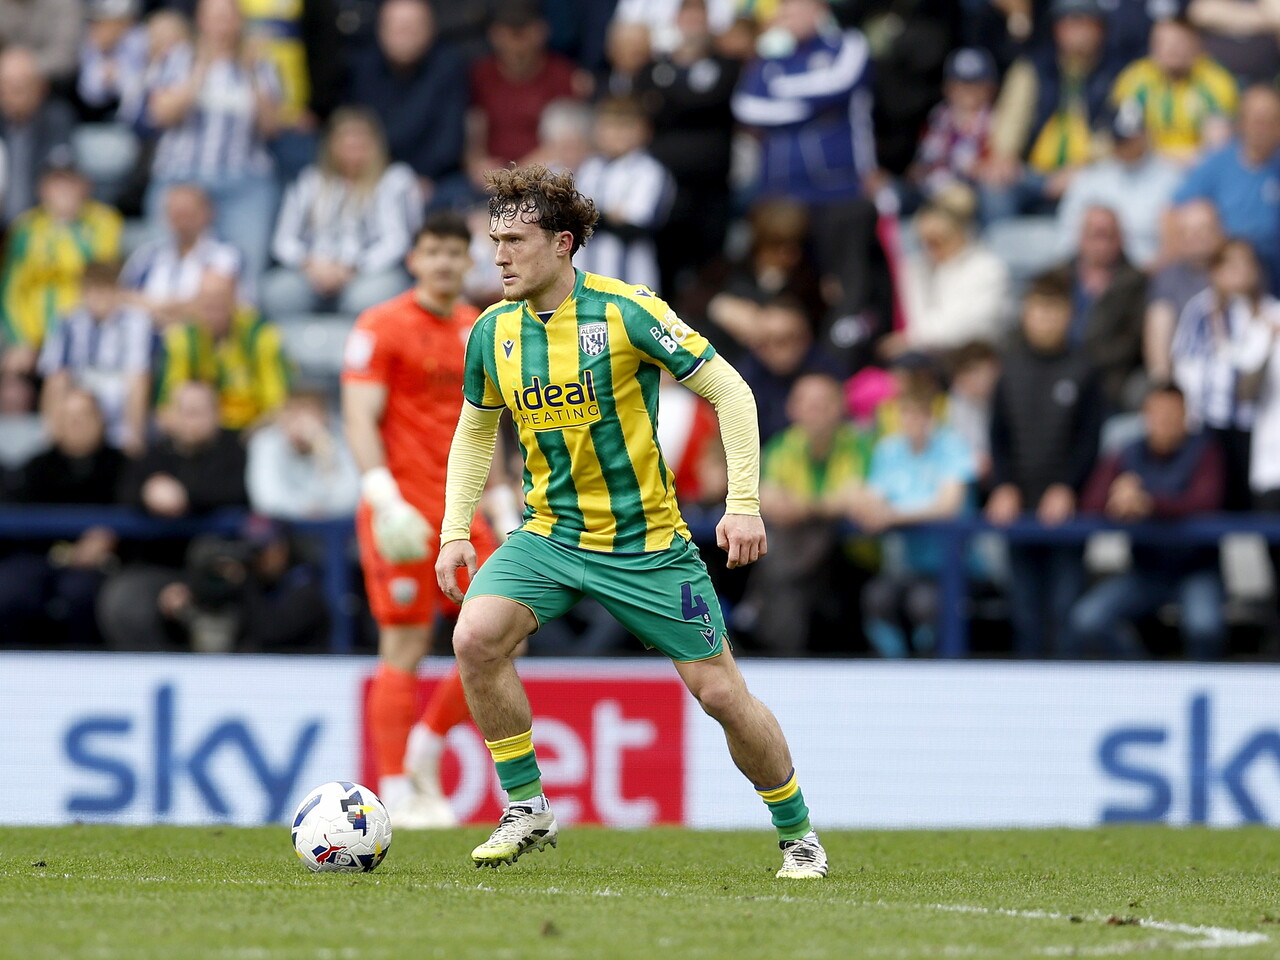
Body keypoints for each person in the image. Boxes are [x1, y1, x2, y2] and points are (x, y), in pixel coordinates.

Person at [434, 164, 827, 878]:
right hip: (549, 535)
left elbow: (731, 392)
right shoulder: (492, 331)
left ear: (563, 244)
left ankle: (797, 831)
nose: (497, 255)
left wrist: (742, 503)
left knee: (720, 696)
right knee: (475, 639)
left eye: (515, 240)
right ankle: (527, 807)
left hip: (647, 547)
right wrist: (455, 529)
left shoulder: (626, 311)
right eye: (493, 239)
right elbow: (474, 428)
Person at [341, 211, 501, 829]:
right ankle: (390, 790)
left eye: (452, 253)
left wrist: (504, 502)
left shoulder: (482, 329)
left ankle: (424, 749)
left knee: (497, 635)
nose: (441, 262)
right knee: (404, 644)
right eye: (430, 251)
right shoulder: (379, 325)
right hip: (402, 511)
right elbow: (359, 415)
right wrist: (382, 496)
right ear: (413, 259)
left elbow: (496, 425)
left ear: (469, 262)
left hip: (465, 513)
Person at [987, 268, 1105, 658]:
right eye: (1038, 310)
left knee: (1064, 609)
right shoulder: (1010, 369)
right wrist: (1004, 485)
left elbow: (1090, 441)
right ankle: (1030, 704)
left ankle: (1068, 698)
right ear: (1026, 314)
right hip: (1019, 512)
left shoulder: (1084, 370)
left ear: (1069, 315)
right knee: (1024, 610)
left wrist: (1068, 487)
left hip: (1065, 515)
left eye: (1054, 311)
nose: (1045, 319)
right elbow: (998, 434)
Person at [1067, 383, 1227, 659]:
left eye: (1172, 413)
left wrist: (1148, 502)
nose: (1164, 421)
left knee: (1205, 627)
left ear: (1186, 415)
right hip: (1146, 571)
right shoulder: (1128, 452)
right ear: (1145, 415)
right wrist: (1118, 499)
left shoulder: (1205, 451)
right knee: (1087, 619)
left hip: (1196, 570)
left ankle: (1202, 686)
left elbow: (1205, 503)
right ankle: (1146, 677)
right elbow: (1091, 502)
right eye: (1158, 412)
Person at [99, 380, 251, 651]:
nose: (191, 420)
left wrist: (185, 496)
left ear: (216, 414)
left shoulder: (235, 452)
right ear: (169, 416)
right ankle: (147, 671)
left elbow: (234, 493)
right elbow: (125, 492)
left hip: (215, 569)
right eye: (185, 411)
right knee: (121, 600)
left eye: (200, 411)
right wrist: (148, 492)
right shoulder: (153, 455)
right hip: (156, 567)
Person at [143, 0, 281, 282]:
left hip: (243, 183)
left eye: (228, 17)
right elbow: (160, 114)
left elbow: (271, 128)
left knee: (244, 272)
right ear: (200, 21)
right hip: (182, 176)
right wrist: (200, 70)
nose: (221, 26)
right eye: (214, 17)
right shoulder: (178, 57)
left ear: (239, 22)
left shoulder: (260, 63)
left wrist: (252, 74)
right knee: (167, 270)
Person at [738, 371, 871, 656]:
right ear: (792, 408)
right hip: (801, 561)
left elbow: (854, 498)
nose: (816, 412)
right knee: (790, 569)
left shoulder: (860, 444)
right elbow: (771, 500)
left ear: (840, 407)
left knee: (787, 561)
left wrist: (805, 506)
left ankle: (755, 609)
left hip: (852, 559)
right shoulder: (781, 447)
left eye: (824, 403)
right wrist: (823, 505)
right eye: (808, 404)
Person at [263, 107, 420, 318]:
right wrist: (310, 265)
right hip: (313, 270)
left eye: (361, 144)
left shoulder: (394, 180)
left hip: (369, 271)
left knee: (365, 298)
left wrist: (351, 268)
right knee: (277, 292)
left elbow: (397, 241)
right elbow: (283, 241)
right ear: (331, 145)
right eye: (346, 143)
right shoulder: (310, 180)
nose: (353, 150)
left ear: (376, 145)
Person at [0, 388, 123, 647]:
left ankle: (84, 673)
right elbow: (19, 522)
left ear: (101, 420)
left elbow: (131, 516)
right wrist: (63, 554)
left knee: (81, 594)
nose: (76, 424)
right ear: (56, 423)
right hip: (39, 557)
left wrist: (108, 539)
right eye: (68, 417)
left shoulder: (122, 467)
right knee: (11, 589)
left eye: (84, 415)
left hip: (101, 564)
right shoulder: (35, 468)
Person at [859, 387, 976, 658]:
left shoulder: (952, 446)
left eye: (919, 415)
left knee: (924, 604)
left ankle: (929, 670)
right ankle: (892, 668)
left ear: (931, 417)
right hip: (903, 566)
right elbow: (870, 499)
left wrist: (892, 515)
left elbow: (948, 507)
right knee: (875, 598)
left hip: (950, 567)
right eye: (905, 414)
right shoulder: (889, 449)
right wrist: (870, 507)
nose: (912, 421)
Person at [981, 0, 1119, 221]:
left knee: (1103, 190)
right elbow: (1012, 117)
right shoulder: (1033, 67)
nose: (1076, 32)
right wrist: (1005, 155)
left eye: (1083, 23)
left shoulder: (1117, 72)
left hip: (1090, 171)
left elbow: (1117, 130)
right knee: (995, 185)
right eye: (1068, 24)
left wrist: (1083, 169)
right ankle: (1001, 252)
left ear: (1100, 29)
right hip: (1035, 172)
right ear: (1056, 29)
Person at [1171, 237, 1275, 509]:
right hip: (1207, 426)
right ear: (1215, 270)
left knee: (1253, 504)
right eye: (1230, 263)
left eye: (1246, 263)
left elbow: (1250, 384)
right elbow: (1184, 366)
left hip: (1257, 428)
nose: (1239, 270)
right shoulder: (1199, 311)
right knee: (1209, 501)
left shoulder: (1273, 315)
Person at [345, 0, 470, 207]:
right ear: (381, 30)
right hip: (374, 174)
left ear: (430, 30)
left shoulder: (449, 66)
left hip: (435, 179)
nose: (405, 35)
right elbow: (358, 129)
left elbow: (450, 137)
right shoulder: (362, 68)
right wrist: (382, 177)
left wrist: (422, 177)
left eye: (413, 28)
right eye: (398, 28)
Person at [0, 159, 122, 360]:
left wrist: (64, 230)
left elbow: (97, 275)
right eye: (56, 183)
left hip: (85, 330)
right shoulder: (25, 228)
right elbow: (10, 290)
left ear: (85, 187)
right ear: (42, 189)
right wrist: (20, 338)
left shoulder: (104, 221)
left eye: (70, 183)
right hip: (34, 338)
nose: (64, 191)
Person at [37, 259, 153, 455]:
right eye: (92, 291)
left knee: (138, 381)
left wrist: (134, 434)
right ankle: (55, 441)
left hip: (118, 401)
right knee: (58, 382)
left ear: (118, 292)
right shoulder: (67, 321)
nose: (99, 299)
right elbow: (55, 374)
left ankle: (132, 438)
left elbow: (138, 375)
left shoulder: (137, 322)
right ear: (82, 293)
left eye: (105, 291)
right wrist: (52, 430)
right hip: (81, 399)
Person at [465, 0, 583, 192]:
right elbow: (474, 128)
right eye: (510, 33)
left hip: (543, 180)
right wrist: (477, 163)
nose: (517, 44)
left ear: (542, 31)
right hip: (488, 180)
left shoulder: (562, 75)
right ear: (495, 34)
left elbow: (568, 144)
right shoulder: (481, 75)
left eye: (523, 32)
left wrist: (515, 176)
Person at [1172, 84, 1280, 284]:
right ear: (1242, 123)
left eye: (1270, 121)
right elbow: (1175, 208)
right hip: (1224, 267)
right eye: (1257, 121)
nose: (1262, 128)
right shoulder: (1218, 163)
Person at [155, 271, 289, 432]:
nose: (213, 314)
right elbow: (166, 408)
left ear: (234, 300)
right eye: (207, 306)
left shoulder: (261, 338)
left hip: (251, 430)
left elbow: (278, 405)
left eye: (219, 305)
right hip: (203, 434)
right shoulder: (182, 341)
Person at [1056, 102, 1183, 270]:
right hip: (1097, 272)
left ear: (1145, 135)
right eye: (1119, 139)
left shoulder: (1171, 179)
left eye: (1130, 139)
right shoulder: (1091, 178)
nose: (1123, 146)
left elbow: (1177, 245)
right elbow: (1067, 235)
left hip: (1151, 273)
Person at [888, 188, 1011, 357]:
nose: (929, 249)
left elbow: (964, 326)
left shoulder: (988, 268)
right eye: (924, 242)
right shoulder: (916, 268)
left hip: (971, 358)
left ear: (959, 233)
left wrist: (910, 339)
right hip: (921, 359)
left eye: (937, 241)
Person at [572, 96, 673, 295]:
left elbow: (635, 226)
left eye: (626, 127)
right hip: (585, 281)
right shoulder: (589, 167)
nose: (618, 135)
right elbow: (574, 217)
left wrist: (593, 216)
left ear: (644, 131)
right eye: (610, 127)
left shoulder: (649, 171)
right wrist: (607, 215)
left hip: (632, 283)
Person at [1110, 16, 1238, 166]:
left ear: (1195, 44)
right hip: (1147, 166)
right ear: (1152, 46)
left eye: (1179, 42)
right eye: (1164, 42)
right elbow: (1127, 140)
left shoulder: (1216, 81)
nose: (1172, 49)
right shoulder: (1135, 79)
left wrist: (1182, 161)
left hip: (1196, 166)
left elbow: (1218, 145)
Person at [119, 182, 249, 327]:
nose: (182, 221)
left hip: (198, 341)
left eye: (188, 213)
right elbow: (122, 297)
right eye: (176, 213)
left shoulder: (225, 255)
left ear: (207, 213)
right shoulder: (146, 255)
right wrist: (181, 308)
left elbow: (220, 306)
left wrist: (156, 307)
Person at [1058, 205, 1149, 409]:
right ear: (1080, 238)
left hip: (1108, 379)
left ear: (1120, 239)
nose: (1100, 243)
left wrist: (1081, 363)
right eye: (1094, 235)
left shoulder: (1136, 282)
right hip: (1054, 370)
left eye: (1107, 235)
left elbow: (1131, 342)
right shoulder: (1058, 277)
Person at [246, 387, 359, 520]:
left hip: (335, 526)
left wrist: (325, 456)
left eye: (310, 415)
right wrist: (306, 508)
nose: (302, 424)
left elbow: (350, 497)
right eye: (294, 414)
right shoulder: (266, 441)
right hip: (286, 527)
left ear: (326, 418)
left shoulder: (341, 436)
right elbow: (267, 501)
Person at [1145, 199, 1224, 382]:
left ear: (1220, 231)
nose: (1196, 237)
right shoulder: (1167, 277)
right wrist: (1164, 383)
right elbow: (1158, 328)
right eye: (1188, 231)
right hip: (1185, 366)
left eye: (1203, 229)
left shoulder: (1234, 267)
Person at [0, 45, 74, 225]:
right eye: (7, 86)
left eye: (22, 86)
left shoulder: (57, 119)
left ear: (41, 86)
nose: (14, 95)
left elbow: (60, 171)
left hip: (40, 226)